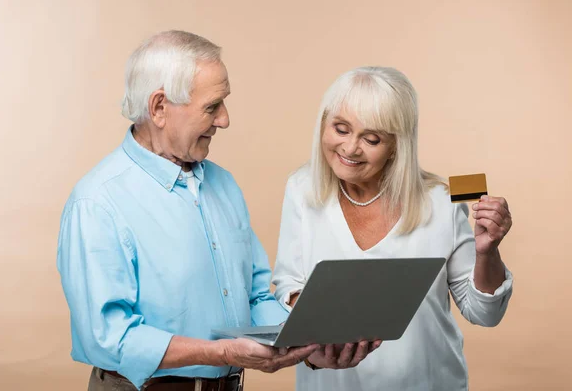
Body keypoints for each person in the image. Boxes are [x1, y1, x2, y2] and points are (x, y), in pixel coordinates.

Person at [56, 30, 327, 391]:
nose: (225, 119)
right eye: (212, 106)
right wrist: (221, 353)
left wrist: (308, 344)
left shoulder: (224, 185)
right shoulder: (97, 202)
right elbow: (109, 337)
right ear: (159, 108)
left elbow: (256, 296)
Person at [272, 66, 514, 391]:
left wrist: (488, 252)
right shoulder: (302, 188)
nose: (350, 148)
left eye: (371, 139)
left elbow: (484, 315)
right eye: (340, 129)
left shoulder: (442, 200)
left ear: (397, 145)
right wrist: (318, 329)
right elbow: (288, 285)